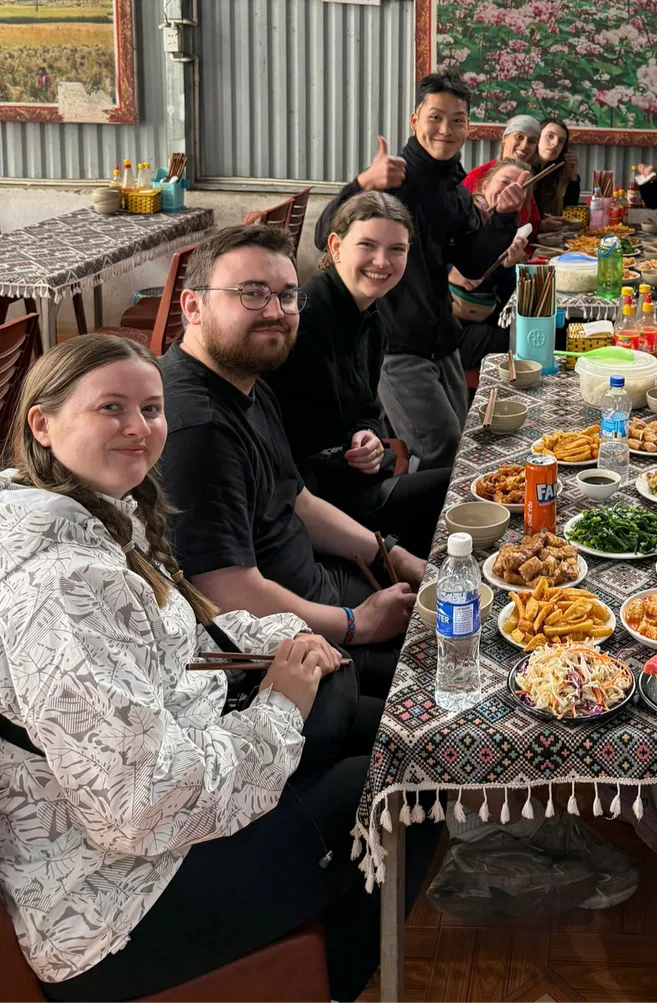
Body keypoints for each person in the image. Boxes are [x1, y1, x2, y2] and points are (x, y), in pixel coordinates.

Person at [0, 335, 436, 1003]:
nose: (138, 428)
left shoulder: (91, 515)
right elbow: (141, 810)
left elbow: (175, 651)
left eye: (150, 408)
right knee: (406, 780)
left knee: (380, 721)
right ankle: (335, 984)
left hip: (156, 815)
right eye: (110, 408)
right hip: (111, 903)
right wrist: (279, 705)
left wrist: (290, 647)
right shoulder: (58, 586)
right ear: (42, 423)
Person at [158, 225, 423, 697]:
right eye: (252, 294)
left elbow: (296, 498)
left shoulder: (245, 379)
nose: (276, 312)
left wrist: (392, 554)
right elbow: (226, 593)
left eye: (287, 296)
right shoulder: (198, 428)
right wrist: (356, 624)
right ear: (193, 307)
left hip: (322, 591)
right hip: (291, 647)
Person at [315, 72, 526, 469]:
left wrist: (503, 218)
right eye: (435, 117)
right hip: (394, 344)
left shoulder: (455, 192)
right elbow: (323, 234)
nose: (446, 129)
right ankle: (421, 529)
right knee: (441, 447)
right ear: (415, 121)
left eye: (457, 120)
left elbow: (473, 264)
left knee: (460, 443)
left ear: (469, 127)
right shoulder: (390, 181)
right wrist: (362, 182)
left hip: (441, 339)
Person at [265, 190, 451, 558]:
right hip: (315, 506)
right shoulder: (305, 318)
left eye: (397, 249)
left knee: (463, 488)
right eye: (367, 245)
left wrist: (366, 435)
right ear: (335, 247)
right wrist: (356, 449)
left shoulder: (371, 317)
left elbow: (366, 408)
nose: (382, 262)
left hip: (354, 480)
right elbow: (280, 435)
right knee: (454, 492)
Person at [455, 159, 534, 370]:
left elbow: (503, 304)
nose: (510, 190)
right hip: (453, 329)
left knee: (535, 330)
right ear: (485, 185)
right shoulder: (465, 215)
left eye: (519, 187)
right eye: (504, 182)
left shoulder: (505, 227)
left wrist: (507, 267)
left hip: (481, 319)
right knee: (525, 342)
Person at [462, 114, 546, 233]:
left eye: (532, 141)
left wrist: (543, 225)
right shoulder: (477, 175)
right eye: (519, 137)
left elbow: (530, 222)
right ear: (504, 138)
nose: (524, 145)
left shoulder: (527, 178)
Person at [532, 116, 581, 218]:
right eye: (550, 136)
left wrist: (572, 178)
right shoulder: (524, 169)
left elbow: (569, 214)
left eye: (561, 141)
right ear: (537, 137)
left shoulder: (556, 172)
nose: (555, 143)